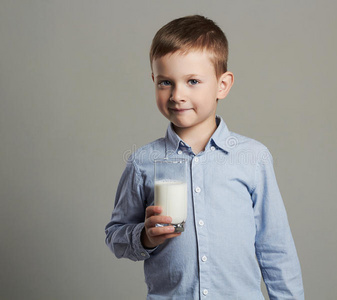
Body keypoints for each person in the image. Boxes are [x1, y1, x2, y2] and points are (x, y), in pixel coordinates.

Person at [105, 15, 304, 300]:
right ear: (153, 81)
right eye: (165, 83)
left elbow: (276, 247)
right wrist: (145, 236)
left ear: (222, 85)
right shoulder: (142, 162)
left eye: (193, 81)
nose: (177, 95)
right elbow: (115, 236)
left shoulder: (252, 157)